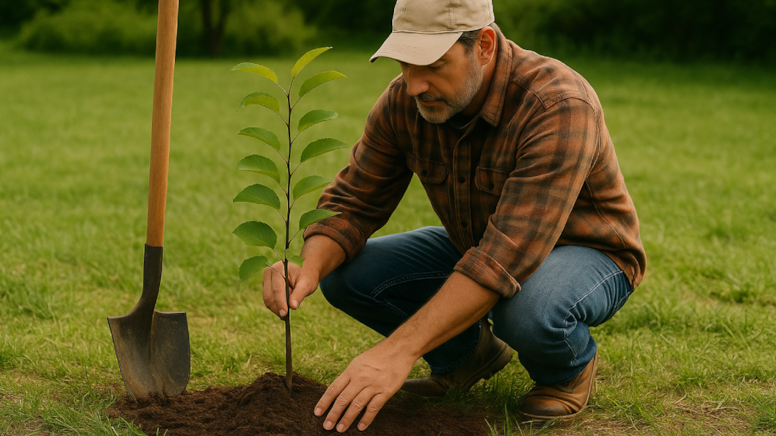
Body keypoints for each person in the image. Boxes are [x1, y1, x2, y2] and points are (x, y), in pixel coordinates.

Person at [262, 0, 647, 432]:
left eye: (432, 65)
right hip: (477, 244)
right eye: (405, 64)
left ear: (483, 45)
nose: (414, 85)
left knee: (526, 310)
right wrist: (309, 267)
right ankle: (467, 356)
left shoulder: (557, 104)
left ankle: (567, 371)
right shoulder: (404, 102)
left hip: (587, 252)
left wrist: (398, 351)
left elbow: (506, 256)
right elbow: (354, 200)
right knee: (347, 274)